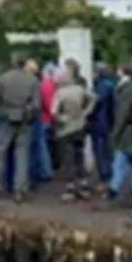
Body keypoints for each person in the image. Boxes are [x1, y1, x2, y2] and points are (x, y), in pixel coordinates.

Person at [0, 55, 40, 201]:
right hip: (24, 121)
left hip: (6, 120)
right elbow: (36, 105)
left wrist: (3, 114)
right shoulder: (32, 80)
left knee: (0, 153)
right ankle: (20, 189)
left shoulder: (3, 79)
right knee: (22, 155)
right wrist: (27, 114)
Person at [51, 60, 95, 201]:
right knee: (79, 155)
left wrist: (61, 118)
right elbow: (94, 98)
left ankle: (71, 188)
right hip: (80, 126)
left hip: (66, 129)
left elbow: (53, 111)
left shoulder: (60, 93)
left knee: (68, 158)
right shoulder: (79, 89)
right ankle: (84, 186)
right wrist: (86, 112)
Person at [106, 63, 132, 201]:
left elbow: (122, 113)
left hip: (127, 131)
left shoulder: (126, 89)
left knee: (120, 160)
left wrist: (115, 133)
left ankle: (113, 189)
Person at [88, 62, 116, 193]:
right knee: (106, 151)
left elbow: (95, 103)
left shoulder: (101, 86)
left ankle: (104, 179)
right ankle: (107, 177)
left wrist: (87, 113)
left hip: (99, 122)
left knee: (100, 152)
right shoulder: (111, 84)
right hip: (107, 122)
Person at [39, 62, 59, 171]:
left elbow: (49, 105)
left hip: (45, 119)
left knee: (43, 147)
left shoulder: (46, 84)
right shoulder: (51, 84)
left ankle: (46, 170)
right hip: (49, 119)